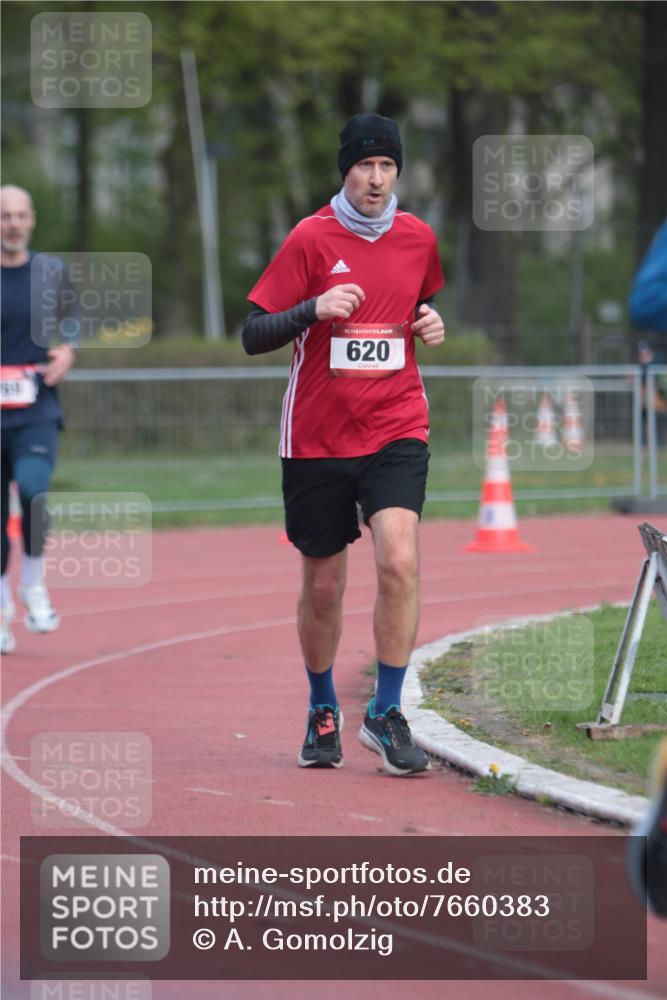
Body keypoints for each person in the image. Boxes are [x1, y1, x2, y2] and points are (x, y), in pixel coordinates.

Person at [242, 113, 445, 776]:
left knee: (399, 560)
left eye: (387, 166)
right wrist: (312, 310)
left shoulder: (418, 238)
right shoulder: (309, 237)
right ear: (346, 171)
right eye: (366, 166)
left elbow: (417, 307)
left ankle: (385, 713)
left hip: (395, 424)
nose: (377, 178)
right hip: (318, 436)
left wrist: (431, 321)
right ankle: (322, 706)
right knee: (324, 585)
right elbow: (252, 333)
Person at [1, 185, 77, 654]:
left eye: (20, 215)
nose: (12, 223)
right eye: (4, 215)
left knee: (33, 491)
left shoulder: (50, 272)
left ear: (32, 220)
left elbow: (71, 319)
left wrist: (68, 349)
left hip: (35, 410)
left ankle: (33, 584)